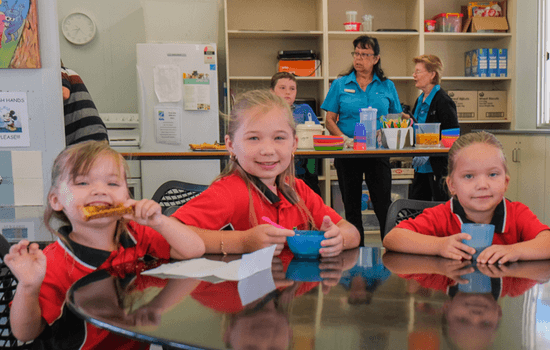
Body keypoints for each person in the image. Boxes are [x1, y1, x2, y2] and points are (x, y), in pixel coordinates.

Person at [4, 140, 205, 348]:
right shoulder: (53, 261)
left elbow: (194, 249)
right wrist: (28, 287)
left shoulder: (137, 235)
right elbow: (23, 332)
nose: (100, 190)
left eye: (113, 183)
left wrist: (160, 222)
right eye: (82, 183)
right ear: (56, 200)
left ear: (127, 195)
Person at [172, 89, 361, 257]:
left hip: (291, 292)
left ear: (294, 144)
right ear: (231, 145)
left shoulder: (297, 190)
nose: (268, 150)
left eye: (279, 137)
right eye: (254, 138)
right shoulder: (228, 191)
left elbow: (352, 232)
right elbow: (166, 235)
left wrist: (338, 240)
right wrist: (242, 242)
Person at [383, 131, 550, 264]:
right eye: (469, 176)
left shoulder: (517, 214)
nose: (482, 185)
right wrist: (439, 246)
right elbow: (393, 238)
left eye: (493, 174)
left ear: (505, 182)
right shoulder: (441, 216)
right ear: (452, 185)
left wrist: (516, 251)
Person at [321, 35, 403, 244]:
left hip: (378, 153)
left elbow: (395, 118)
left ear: (376, 59)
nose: (359, 59)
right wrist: (343, 139)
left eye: (365, 54)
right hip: (348, 153)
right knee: (352, 207)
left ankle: (392, 249)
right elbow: (329, 119)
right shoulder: (340, 84)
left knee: (383, 206)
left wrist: (384, 132)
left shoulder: (387, 86)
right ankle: (356, 254)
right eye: (356, 53)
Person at [404, 54, 460, 201]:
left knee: (438, 209)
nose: (414, 75)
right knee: (416, 208)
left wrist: (429, 152)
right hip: (420, 168)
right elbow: (418, 126)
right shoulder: (420, 99)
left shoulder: (443, 100)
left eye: (418, 72)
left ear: (432, 75)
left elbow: (453, 136)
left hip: (437, 169)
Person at [270, 72, 322, 196]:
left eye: (292, 89)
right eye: (282, 88)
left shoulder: (304, 110)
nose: (288, 92)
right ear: (272, 92)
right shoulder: (265, 113)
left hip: (302, 169)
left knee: (310, 197)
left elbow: (317, 135)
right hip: (274, 169)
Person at [61, 60, 109, 146]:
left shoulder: (59, 71)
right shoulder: (69, 73)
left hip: (85, 136)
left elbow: (64, 93)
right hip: (93, 133)